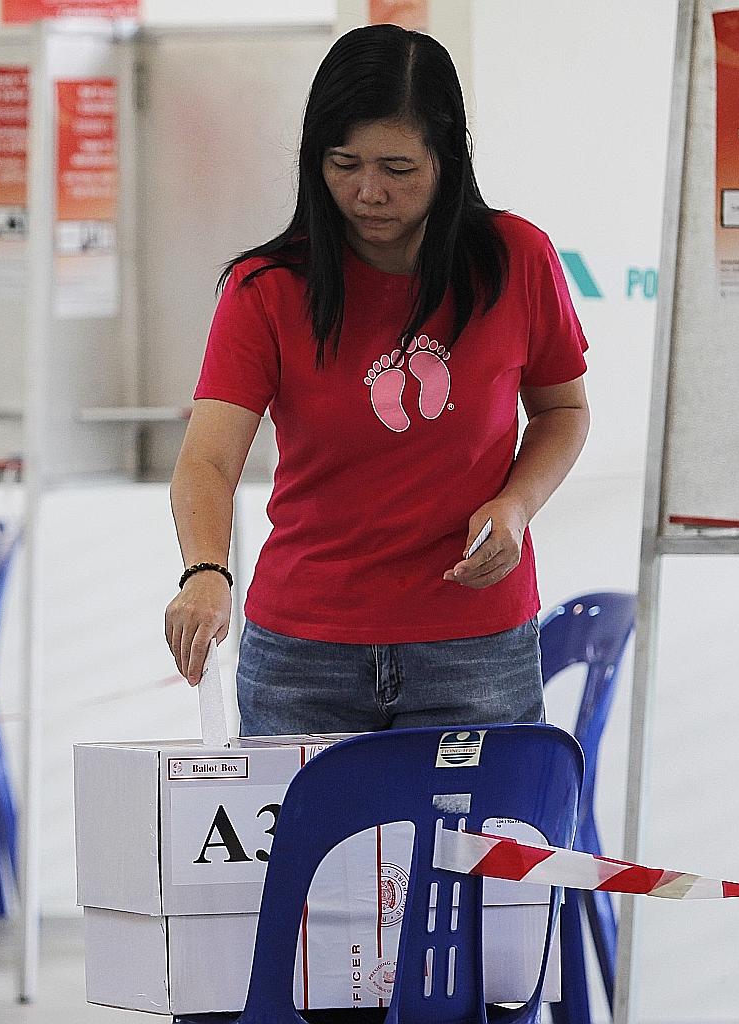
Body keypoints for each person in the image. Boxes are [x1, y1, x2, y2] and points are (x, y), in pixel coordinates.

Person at [163, 26, 590, 738]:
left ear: (447, 159)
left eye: (398, 168)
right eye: (344, 163)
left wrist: (517, 504)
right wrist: (204, 570)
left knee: (475, 852)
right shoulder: (266, 287)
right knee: (308, 853)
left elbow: (564, 410)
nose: (368, 193)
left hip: (474, 647)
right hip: (304, 653)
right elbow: (207, 459)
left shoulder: (517, 259)